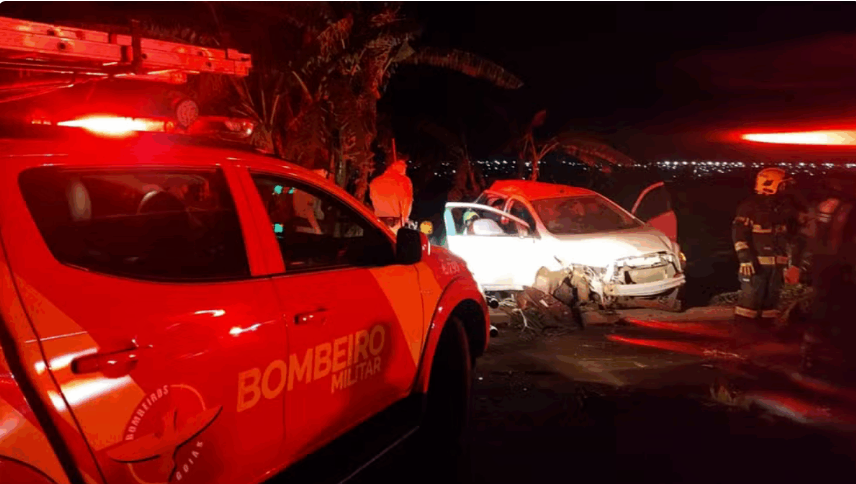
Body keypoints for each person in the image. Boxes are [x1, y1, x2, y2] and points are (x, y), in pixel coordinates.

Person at [731, 167, 803, 343]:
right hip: (755, 266)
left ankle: (763, 339)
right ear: (772, 185)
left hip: (777, 267)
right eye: (783, 185)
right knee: (750, 302)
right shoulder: (749, 207)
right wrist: (745, 259)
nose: (786, 189)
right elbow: (739, 235)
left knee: (771, 303)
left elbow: (795, 239)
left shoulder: (786, 209)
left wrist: (794, 265)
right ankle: (742, 340)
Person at [800, 177, 856, 385]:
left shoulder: (825, 207)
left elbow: (810, 235)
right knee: (836, 316)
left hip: (824, 267)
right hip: (839, 269)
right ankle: (828, 364)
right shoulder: (846, 209)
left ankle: (811, 361)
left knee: (823, 314)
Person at [369, 155, 413, 234]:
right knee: (392, 240)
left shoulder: (375, 181)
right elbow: (407, 202)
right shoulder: (405, 181)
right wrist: (404, 219)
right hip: (396, 221)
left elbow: (372, 199)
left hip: (378, 220)